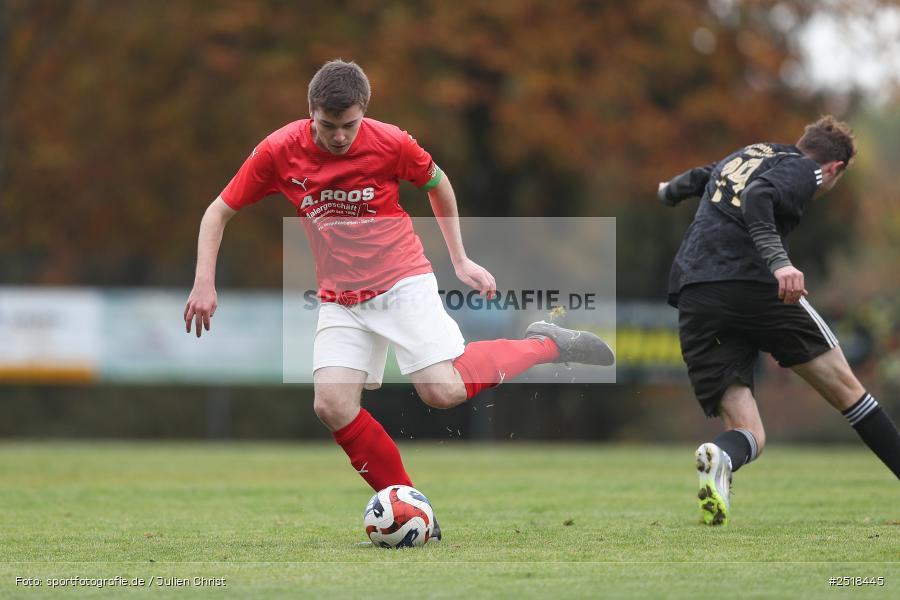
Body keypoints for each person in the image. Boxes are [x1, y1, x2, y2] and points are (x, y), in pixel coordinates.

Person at [184, 60, 614, 539]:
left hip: (401, 282)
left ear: (363, 113)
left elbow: (438, 184)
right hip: (341, 299)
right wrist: (205, 281)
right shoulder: (279, 150)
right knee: (331, 405)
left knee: (443, 391)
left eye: (349, 125)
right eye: (328, 127)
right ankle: (417, 515)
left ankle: (548, 344)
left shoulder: (391, 142)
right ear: (311, 114)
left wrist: (460, 260)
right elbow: (217, 213)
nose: (340, 137)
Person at [658, 115, 900, 526]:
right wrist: (780, 263)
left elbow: (703, 176)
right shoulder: (809, 171)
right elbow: (758, 197)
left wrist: (668, 192)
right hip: (752, 284)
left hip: (696, 291)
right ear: (835, 168)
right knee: (849, 391)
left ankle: (721, 458)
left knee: (750, 432)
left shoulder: (750, 153)